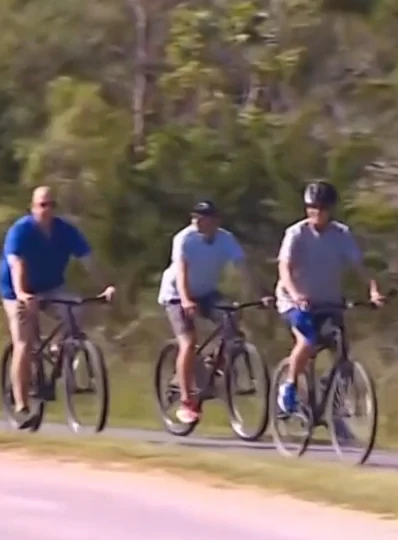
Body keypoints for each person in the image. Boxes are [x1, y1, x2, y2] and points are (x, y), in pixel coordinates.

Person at [0, 186, 114, 427]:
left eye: (51, 205)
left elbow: (88, 260)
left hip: (51, 285)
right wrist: (22, 294)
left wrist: (106, 285)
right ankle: (21, 402)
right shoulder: (21, 231)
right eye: (42, 205)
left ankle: (58, 348)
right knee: (25, 341)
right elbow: (16, 264)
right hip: (16, 290)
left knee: (76, 310)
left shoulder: (65, 231)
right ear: (33, 207)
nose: (47, 210)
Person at [274, 180, 384, 419]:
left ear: (330, 209)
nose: (315, 212)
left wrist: (373, 290)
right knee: (307, 342)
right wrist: (295, 295)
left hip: (328, 301)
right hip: (294, 301)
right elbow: (284, 267)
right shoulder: (296, 233)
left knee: (342, 349)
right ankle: (289, 387)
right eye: (311, 207)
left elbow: (360, 266)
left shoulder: (341, 234)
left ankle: (333, 399)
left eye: (321, 208)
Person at [157, 200, 259, 424]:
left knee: (232, 321)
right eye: (195, 217)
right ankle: (187, 401)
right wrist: (185, 300)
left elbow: (243, 269)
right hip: (176, 294)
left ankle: (213, 366)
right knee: (188, 341)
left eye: (202, 218)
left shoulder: (226, 239)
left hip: (206, 292)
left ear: (216, 221)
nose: (197, 222)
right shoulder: (185, 238)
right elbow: (182, 272)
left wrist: (257, 295)